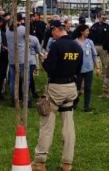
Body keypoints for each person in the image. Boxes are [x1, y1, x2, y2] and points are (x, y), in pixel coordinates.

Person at [32, 19, 82, 171]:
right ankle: (67, 162)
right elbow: (78, 69)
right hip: (71, 87)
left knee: (47, 123)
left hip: (56, 88)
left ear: (56, 30)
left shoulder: (56, 45)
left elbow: (49, 68)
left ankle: (40, 161)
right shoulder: (76, 46)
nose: (51, 34)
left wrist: (44, 60)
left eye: (51, 31)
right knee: (68, 125)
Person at [74, 24, 96, 112]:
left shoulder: (90, 42)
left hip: (89, 68)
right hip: (78, 69)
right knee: (76, 88)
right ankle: (74, 104)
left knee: (88, 88)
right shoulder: (74, 42)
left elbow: (94, 55)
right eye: (87, 31)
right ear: (82, 32)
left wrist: (97, 66)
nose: (88, 32)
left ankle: (86, 106)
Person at [89, 14, 109, 80]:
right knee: (93, 62)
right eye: (102, 17)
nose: (103, 19)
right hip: (95, 46)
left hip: (103, 47)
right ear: (99, 18)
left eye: (104, 18)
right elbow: (90, 35)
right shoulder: (94, 25)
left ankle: (104, 76)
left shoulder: (107, 26)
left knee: (104, 63)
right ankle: (93, 75)